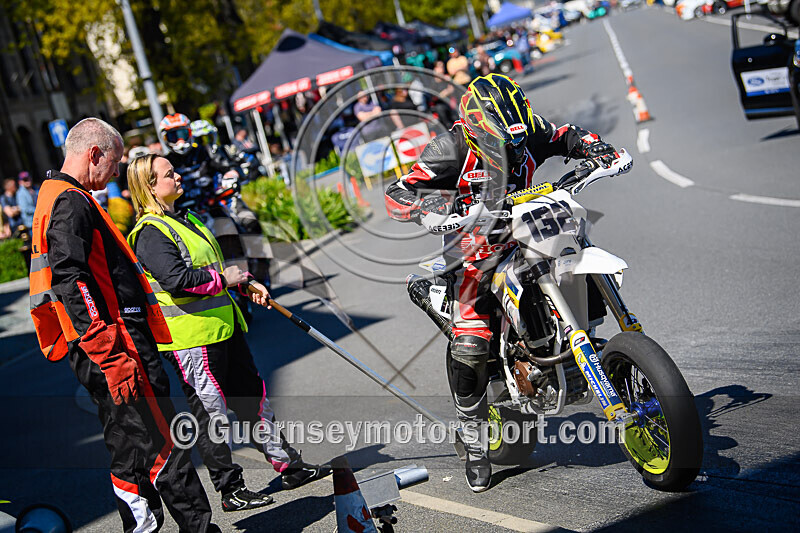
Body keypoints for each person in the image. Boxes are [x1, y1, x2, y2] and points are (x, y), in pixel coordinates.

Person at [384, 74, 621, 493]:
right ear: (477, 127)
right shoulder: (449, 149)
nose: (515, 148)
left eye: (519, 138)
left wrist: (594, 148)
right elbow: (399, 192)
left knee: (579, 255)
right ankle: (475, 447)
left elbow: (565, 136)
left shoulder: (526, 130)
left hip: (533, 231)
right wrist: (429, 209)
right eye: (504, 140)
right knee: (471, 342)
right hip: (474, 256)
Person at [28, 118, 219, 532]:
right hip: (112, 342)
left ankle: (141, 527)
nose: (116, 173)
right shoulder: (70, 202)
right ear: (93, 154)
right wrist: (109, 349)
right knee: (161, 441)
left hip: (97, 342)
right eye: (113, 162)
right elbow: (71, 279)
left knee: (127, 445)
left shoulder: (57, 196)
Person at [126, 154, 329, 512]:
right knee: (212, 415)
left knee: (252, 397)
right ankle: (230, 488)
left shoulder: (184, 218)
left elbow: (213, 267)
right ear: (150, 186)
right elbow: (177, 281)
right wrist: (226, 279)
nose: (177, 176)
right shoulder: (149, 233)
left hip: (224, 326)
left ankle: (289, 466)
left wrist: (243, 282)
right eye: (168, 174)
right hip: (193, 339)